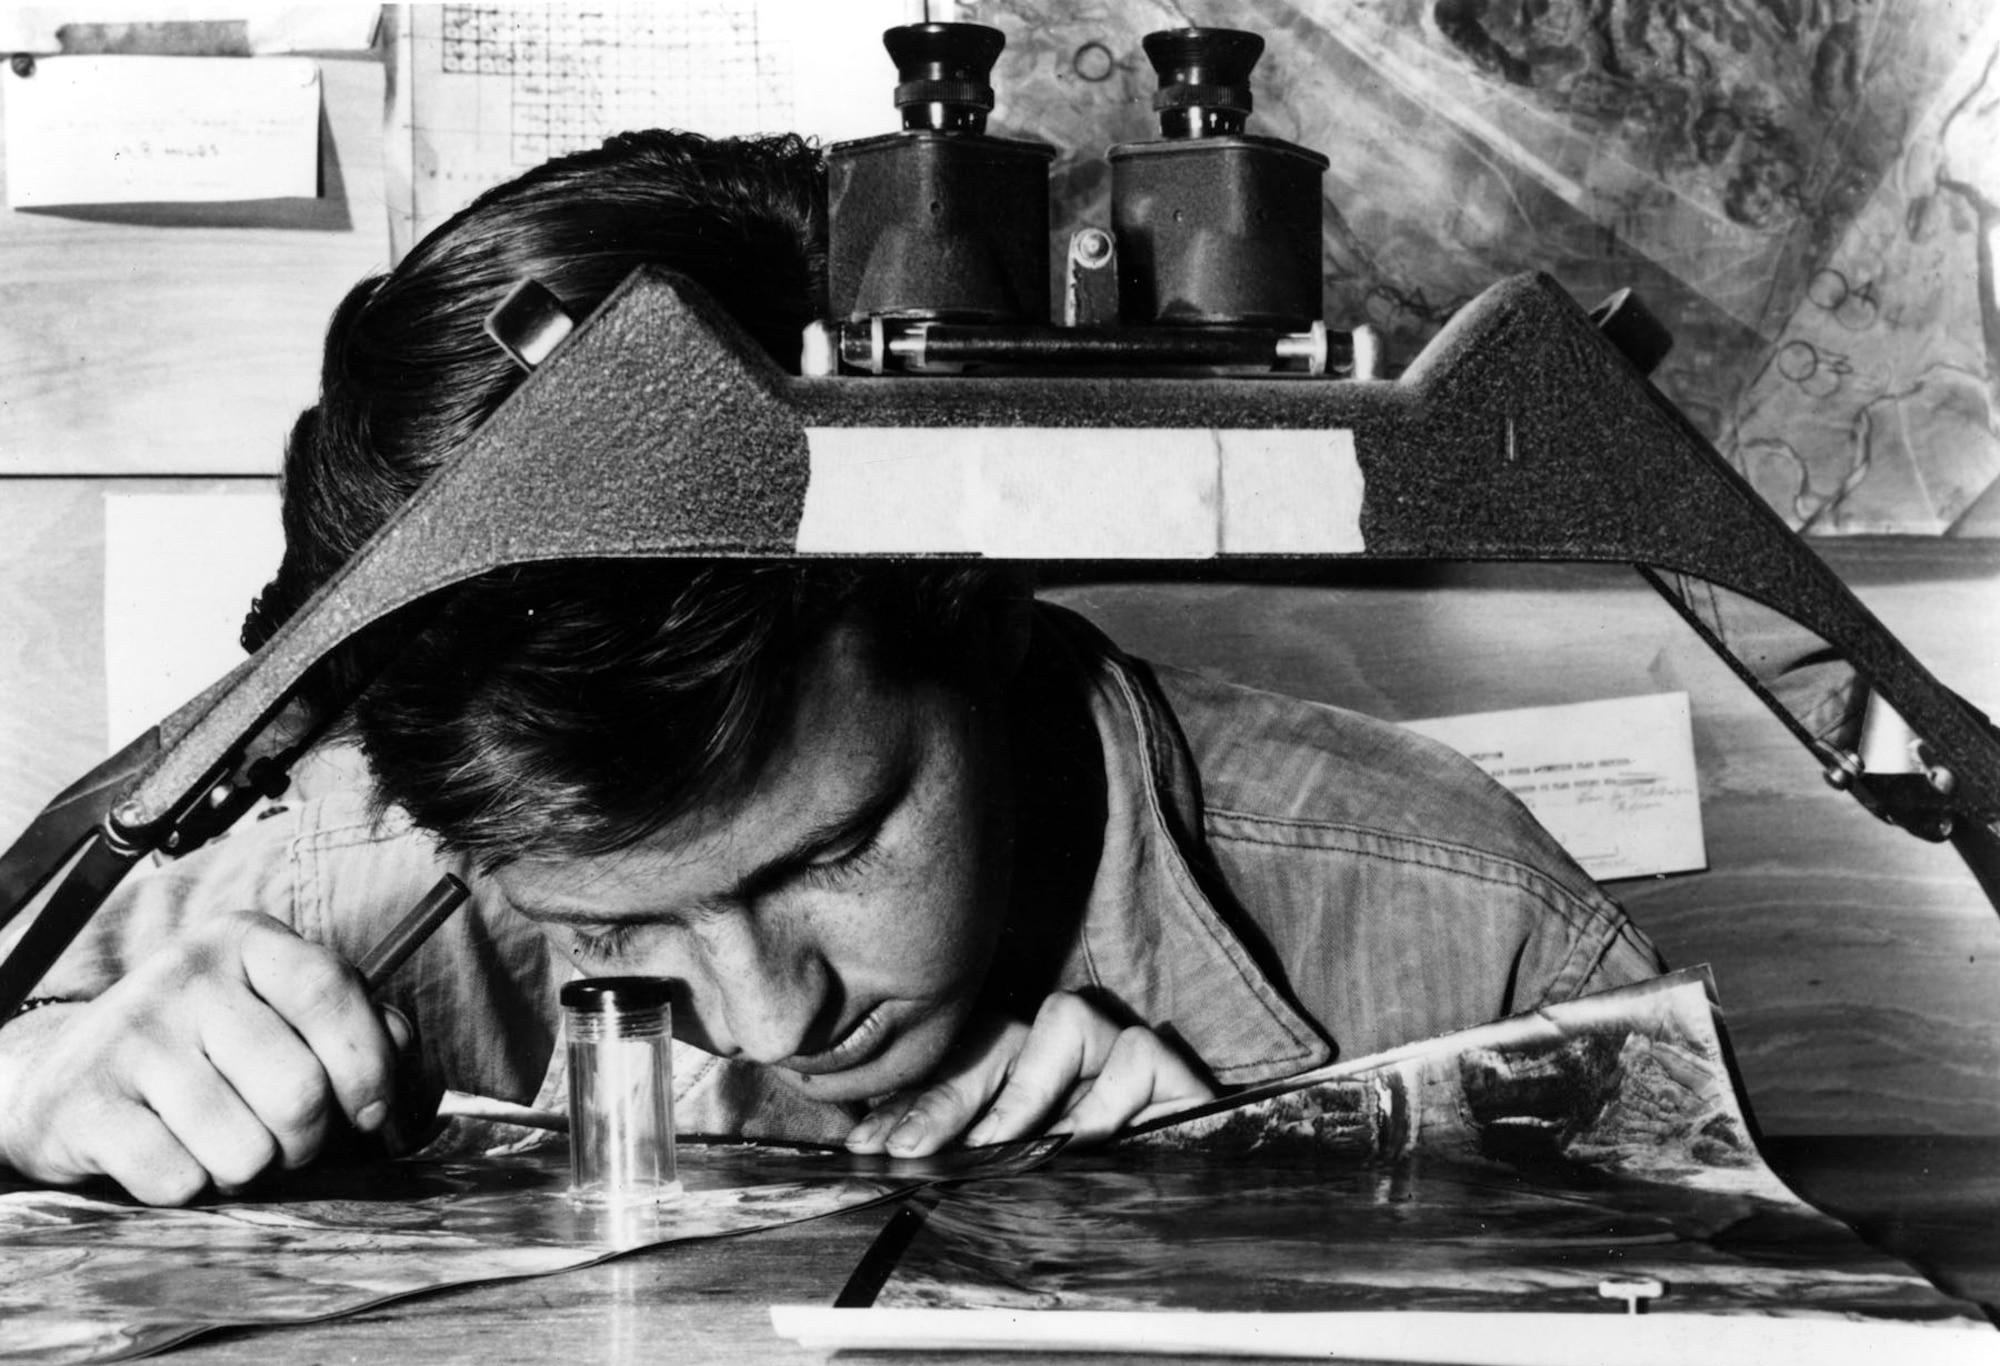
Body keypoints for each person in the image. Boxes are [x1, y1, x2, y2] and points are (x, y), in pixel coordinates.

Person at [0, 131, 1662, 1206]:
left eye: (834, 847)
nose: (765, 1010)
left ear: (987, 613)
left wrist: (1280, 1214)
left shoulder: (1477, 935)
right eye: (608, 920)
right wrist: (29, 1081)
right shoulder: (323, 874)